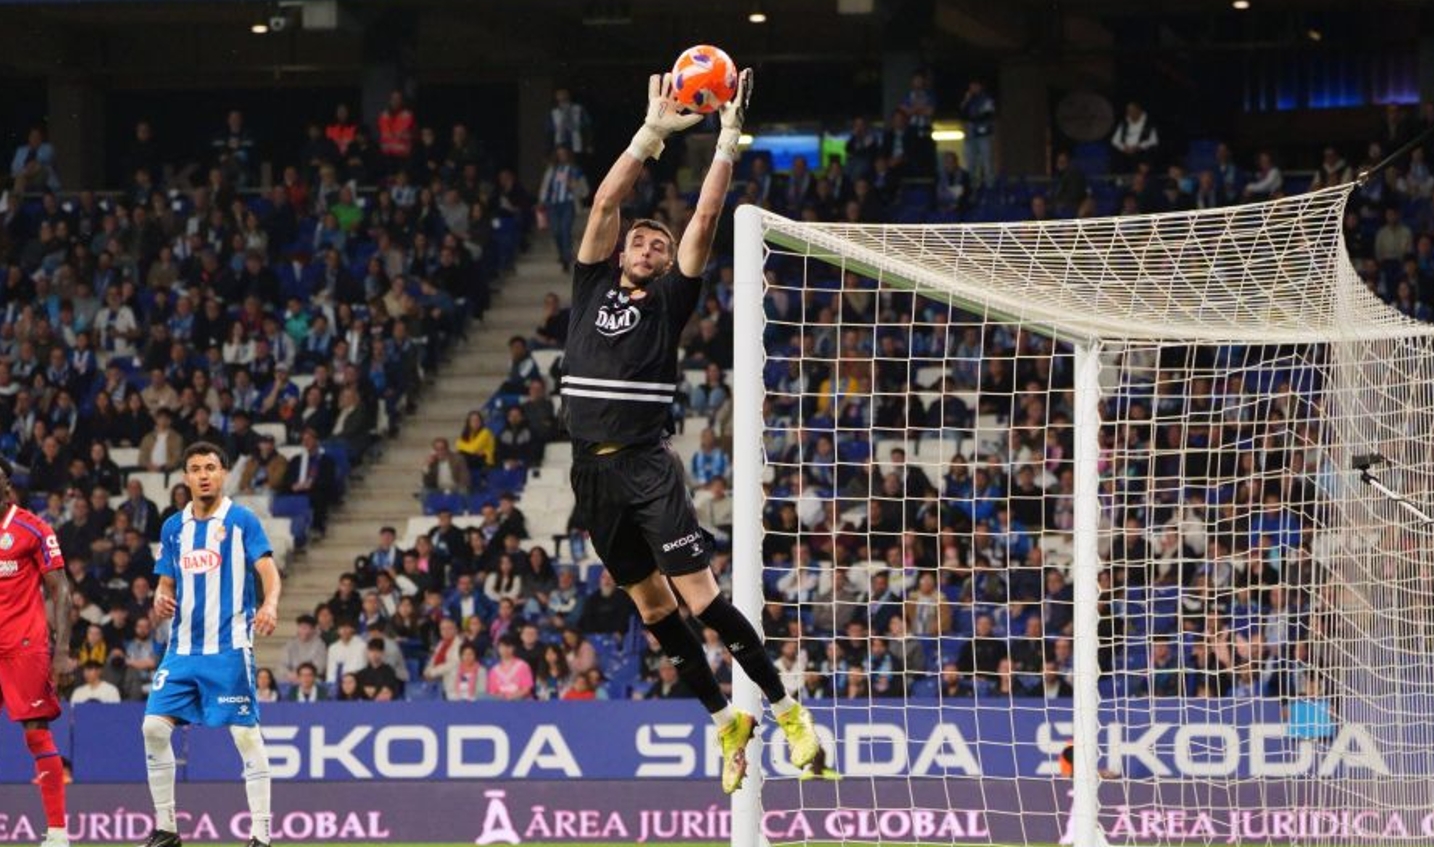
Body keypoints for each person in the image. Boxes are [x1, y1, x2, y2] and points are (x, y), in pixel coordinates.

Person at [564, 69, 818, 796]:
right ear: (620, 252)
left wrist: (725, 141)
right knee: (651, 609)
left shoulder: (673, 295)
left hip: (645, 462)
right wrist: (649, 135)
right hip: (591, 473)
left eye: (656, 242)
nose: (645, 245)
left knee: (702, 599)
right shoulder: (590, 284)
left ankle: (785, 707)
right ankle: (721, 721)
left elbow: (704, 221)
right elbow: (608, 199)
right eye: (639, 240)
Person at [139, 442, 282, 847]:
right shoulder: (172, 527)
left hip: (229, 649)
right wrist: (158, 597)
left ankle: (261, 836)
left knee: (245, 736)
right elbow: (165, 582)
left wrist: (269, 604)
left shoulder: (241, 521)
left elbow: (269, 572)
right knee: (151, 728)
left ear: (223, 474)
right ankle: (166, 829)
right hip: (181, 650)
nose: (203, 475)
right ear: (185, 477)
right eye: (196, 468)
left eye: (211, 468)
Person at [0, 457, 73, 847]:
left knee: (36, 733)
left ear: (6, 484)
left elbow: (60, 589)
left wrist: (62, 650)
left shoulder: (33, 528)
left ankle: (58, 833)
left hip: (23, 646)